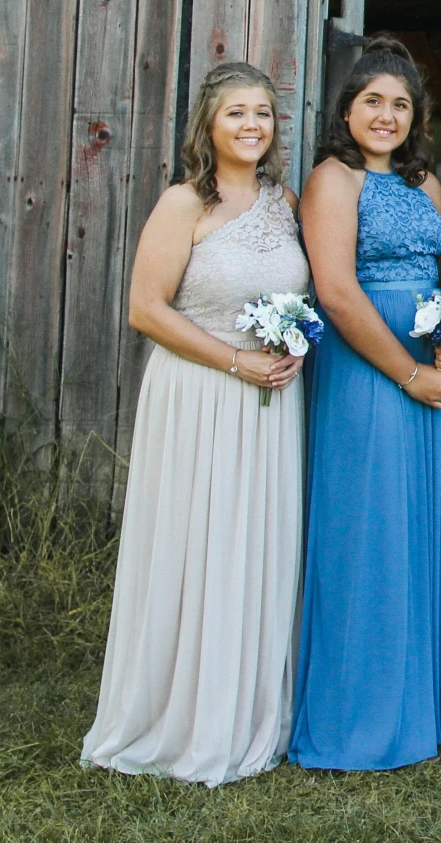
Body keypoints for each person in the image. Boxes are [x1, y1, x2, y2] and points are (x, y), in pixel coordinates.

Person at [82, 64, 310, 786]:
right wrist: (235, 361)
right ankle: (182, 715)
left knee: (257, 544)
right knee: (198, 542)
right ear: (208, 124)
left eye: (264, 113)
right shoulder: (185, 203)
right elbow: (146, 309)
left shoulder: (286, 201)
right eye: (237, 112)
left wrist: (286, 347)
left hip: (272, 404)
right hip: (202, 393)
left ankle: (248, 709)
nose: (252, 125)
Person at [289, 39, 441, 768]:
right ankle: (355, 717)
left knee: (420, 528)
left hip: (429, 367)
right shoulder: (333, 178)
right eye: (372, 102)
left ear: (417, 115)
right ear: (347, 111)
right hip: (369, 370)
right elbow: (333, 290)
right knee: (368, 528)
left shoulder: (428, 185)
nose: (386, 115)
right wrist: (408, 373)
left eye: (400, 103)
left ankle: (415, 709)